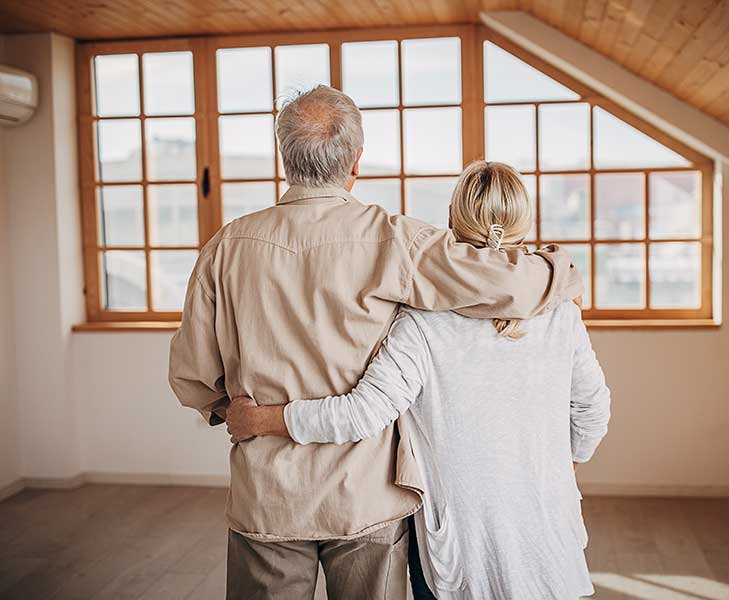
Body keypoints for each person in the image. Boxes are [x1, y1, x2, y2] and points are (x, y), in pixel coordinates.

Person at [169, 85, 583, 600]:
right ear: (356, 161)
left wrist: (230, 412)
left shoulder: (225, 247)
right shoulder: (395, 240)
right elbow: (509, 285)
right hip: (365, 494)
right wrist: (561, 270)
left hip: (267, 493)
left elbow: (190, 374)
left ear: (284, 157)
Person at [226, 161, 611, 600]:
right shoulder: (562, 311)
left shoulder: (422, 323)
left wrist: (261, 421)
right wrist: (561, 464)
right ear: (525, 221)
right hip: (546, 532)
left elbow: (361, 413)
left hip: (458, 547)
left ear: (451, 220)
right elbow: (593, 411)